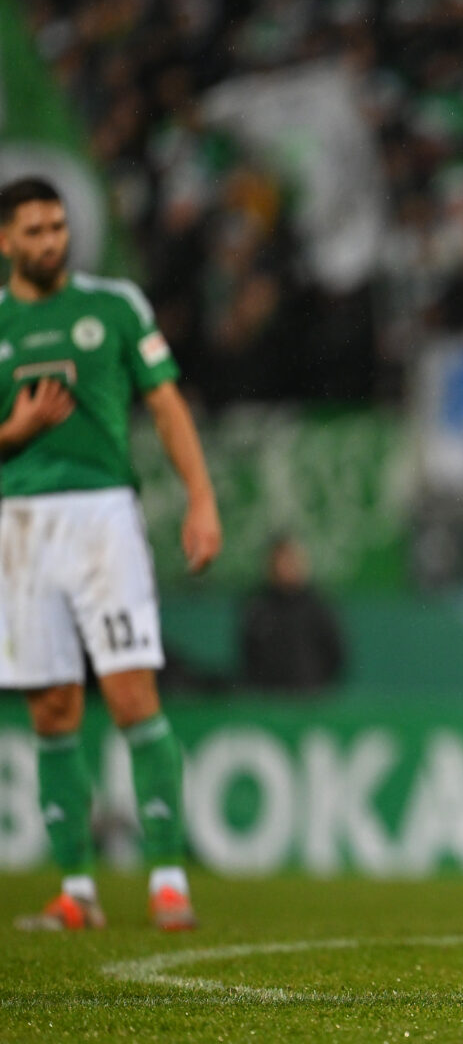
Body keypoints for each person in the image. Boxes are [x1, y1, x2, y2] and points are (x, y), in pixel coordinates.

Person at [0, 176, 221, 932]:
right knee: (54, 708)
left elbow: (164, 402)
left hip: (104, 522)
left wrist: (201, 498)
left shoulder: (114, 306)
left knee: (132, 696)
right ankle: (76, 892)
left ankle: (166, 879)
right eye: (32, 230)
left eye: (56, 226)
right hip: (20, 526)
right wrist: (14, 433)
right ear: (6, 242)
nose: (49, 241)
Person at [238, 534, 345, 692]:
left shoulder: (319, 606)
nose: (288, 566)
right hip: (269, 701)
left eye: (293, 559)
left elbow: (335, 655)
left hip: (310, 700)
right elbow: (248, 657)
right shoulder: (257, 606)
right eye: (282, 560)